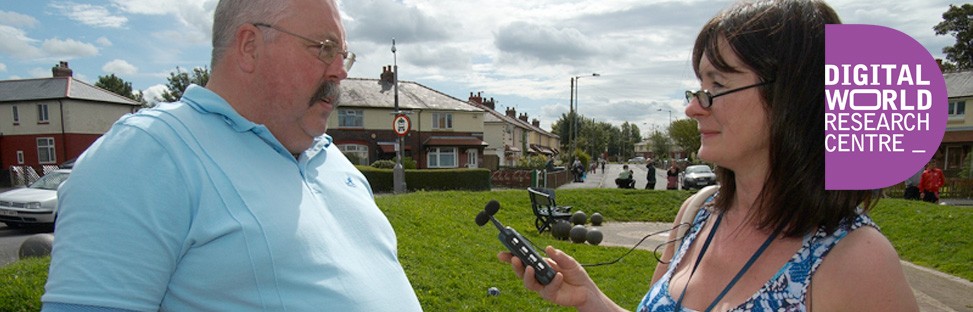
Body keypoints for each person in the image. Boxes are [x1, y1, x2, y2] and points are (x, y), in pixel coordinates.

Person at [499, 0, 918, 311]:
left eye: (716, 86)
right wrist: (590, 299)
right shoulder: (698, 211)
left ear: (792, 96)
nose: (692, 107)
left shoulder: (856, 260)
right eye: (698, 87)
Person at [42, 0, 423, 311]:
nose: (340, 71)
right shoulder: (147, 154)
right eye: (324, 48)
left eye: (344, 55)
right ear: (249, 46)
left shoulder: (332, 158)